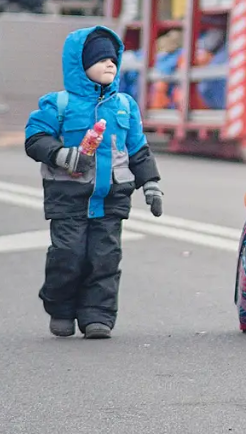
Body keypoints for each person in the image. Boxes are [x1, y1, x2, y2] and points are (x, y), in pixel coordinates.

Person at [23, 26, 163, 340]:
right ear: (79, 66)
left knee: (105, 259)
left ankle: (97, 315)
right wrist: (62, 156)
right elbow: (35, 140)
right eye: (100, 60)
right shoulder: (58, 104)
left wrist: (151, 183)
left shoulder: (125, 106)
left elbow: (137, 148)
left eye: (113, 60)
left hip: (112, 199)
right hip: (68, 197)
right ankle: (60, 308)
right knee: (68, 257)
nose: (109, 65)